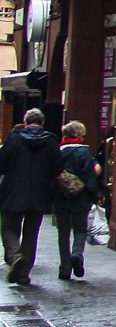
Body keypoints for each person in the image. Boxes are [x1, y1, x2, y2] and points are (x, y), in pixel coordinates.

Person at [0, 109, 61, 286]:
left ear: (25, 122)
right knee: (31, 234)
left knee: (9, 229)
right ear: (42, 123)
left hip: (12, 192)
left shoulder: (15, 139)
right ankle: (24, 273)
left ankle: (15, 256)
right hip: (39, 193)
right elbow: (57, 168)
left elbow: (1, 164)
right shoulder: (50, 141)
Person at [53, 121, 101, 281]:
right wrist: (94, 195)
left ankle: (64, 268)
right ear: (77, 135)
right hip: (81, 199)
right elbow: (89, 177)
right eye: (82, 135)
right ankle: (77, 254)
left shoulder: (56, 152)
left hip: (61, 198)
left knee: (63, 233)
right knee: (80, 230)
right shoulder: (83, 153)